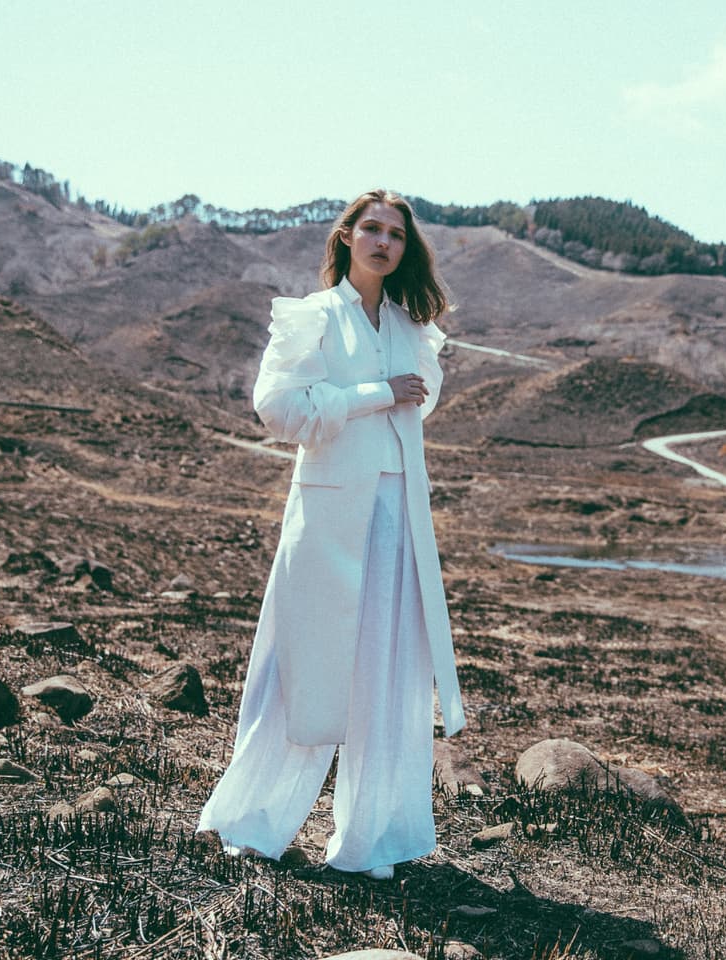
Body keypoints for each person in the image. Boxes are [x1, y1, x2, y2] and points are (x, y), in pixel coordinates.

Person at [197, 189, 464, 881]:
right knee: (303, 668)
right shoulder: (312, 316)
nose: (384, 242)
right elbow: (277, 408)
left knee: (388, 672)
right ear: (346, 236)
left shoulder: (411, 327)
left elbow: (419, 405)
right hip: (326, 516)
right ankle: (253, 823)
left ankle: (373, 840)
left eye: (396, 234)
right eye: (371, 229)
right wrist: (375, 393)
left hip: (396, 513)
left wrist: (389, 394)